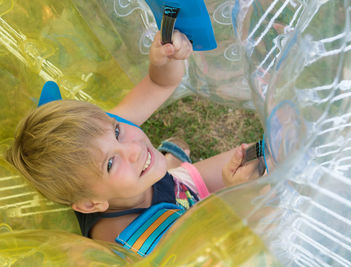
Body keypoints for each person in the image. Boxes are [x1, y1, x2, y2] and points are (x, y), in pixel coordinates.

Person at [6, 30, 261, 255]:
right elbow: (214, 252)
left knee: (259, 159)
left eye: (117, 131)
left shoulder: (104, 138)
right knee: (264, 201)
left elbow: (159, 84)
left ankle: (172, 162)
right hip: (196, 234)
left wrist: (165, 61)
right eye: (110, 163)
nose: (134, 148)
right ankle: (172, 159)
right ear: (91, 205)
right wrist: (235, 197)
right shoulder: (129, 244)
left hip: (180, 188)